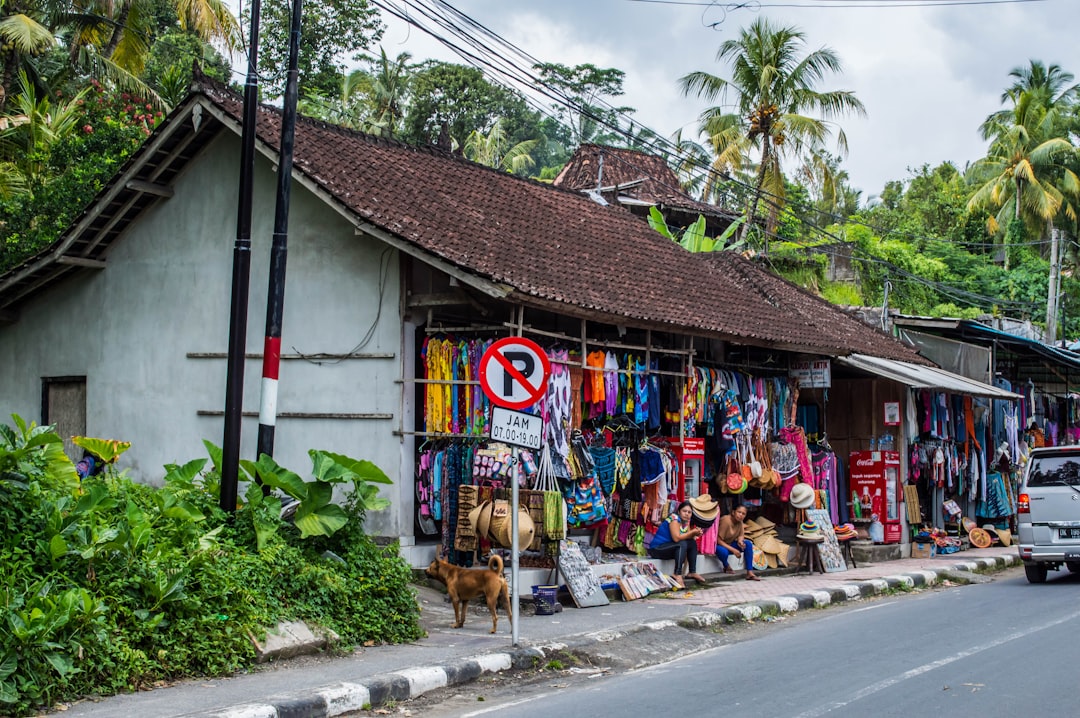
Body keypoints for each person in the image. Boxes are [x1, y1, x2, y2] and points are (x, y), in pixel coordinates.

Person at [647, 501, 706, 586]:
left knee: (692, 543)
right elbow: (676, 538)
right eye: (684, 511)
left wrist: (695, 534)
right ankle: (677, 574)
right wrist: (692, 533)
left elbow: (688, 538)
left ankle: (692, 572)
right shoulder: (674, 518)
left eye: (689, 512)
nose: (687, 514)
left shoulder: (686, 522)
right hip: (657, 549)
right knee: (681, 544)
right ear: (679, 511)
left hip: (669, 548)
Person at [715, 504, 760, 581]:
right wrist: (733, 550)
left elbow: (741, 535)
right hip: (720, 545)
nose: (741, 515)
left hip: (730, 544)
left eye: (743, 514)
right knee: (723, 552)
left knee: (748, 544)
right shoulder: (726, 521)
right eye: (739, 512)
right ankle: (726, 566)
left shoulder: (740, 522)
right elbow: (718, 540)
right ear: (733, 512)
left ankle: (749, 572)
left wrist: (740, 541)